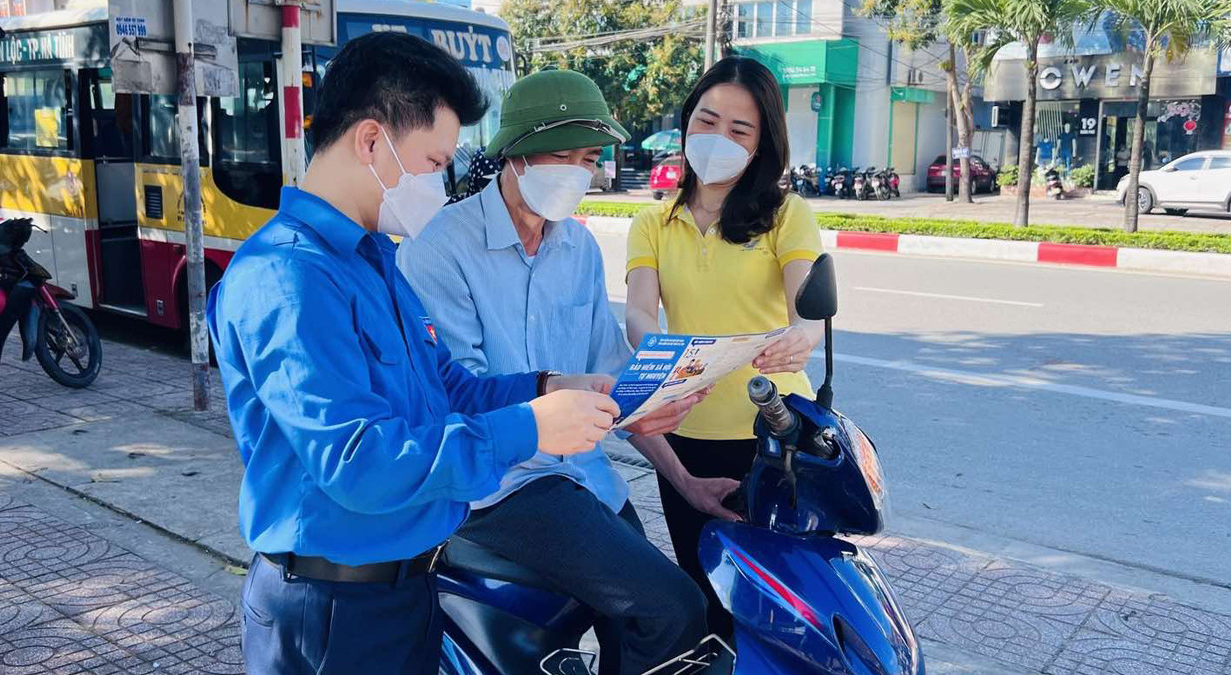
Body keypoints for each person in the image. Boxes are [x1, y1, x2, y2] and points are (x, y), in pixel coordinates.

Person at [208, 33, 622, 675]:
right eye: (434, 162)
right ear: (372, 142)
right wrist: (531, 427)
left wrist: (545, 386)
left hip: (407, 586)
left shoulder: (377, 260)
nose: (442, 182)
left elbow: (445, 388)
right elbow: (360, 461)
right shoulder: (290, 279)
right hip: (334, 609)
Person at [398, 69, 733, 675]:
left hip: (582, 474)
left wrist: (684, 479)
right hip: (500, 484)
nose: (577, 172)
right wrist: (560, 398)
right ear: (516, 154)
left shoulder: (577, 249)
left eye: (588, 158)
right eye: (561, 155)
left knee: (671, 609)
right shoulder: (440, 250)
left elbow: (614, 376)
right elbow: (459, 394)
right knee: (672, 608)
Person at [624, 56, 826, 639]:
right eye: (706, 121)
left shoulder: (786, 215)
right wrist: (660, 349)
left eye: (739, 130)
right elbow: (639, 311)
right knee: (706, 588)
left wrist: (802, 338)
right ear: (687, 122)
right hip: (685, 431)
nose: (718, 139)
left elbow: (808, 313)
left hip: (776, 432)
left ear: (762, 143)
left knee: (779, 601)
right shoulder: (652, 223)